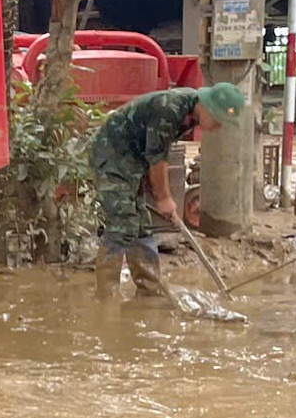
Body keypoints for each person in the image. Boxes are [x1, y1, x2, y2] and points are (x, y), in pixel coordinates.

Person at [88, 80, 246, 293]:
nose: (218, 128)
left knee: (142, 225)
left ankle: (150, 289)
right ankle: (106, 296)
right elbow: (158, 157)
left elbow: (154, 150)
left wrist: (153, 187)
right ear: (208, 108)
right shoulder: (170, 109)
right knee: (122, 223)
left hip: (134, 159)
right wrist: (164, 198)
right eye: (218, 121)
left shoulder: (191, 111)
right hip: (112, 154)